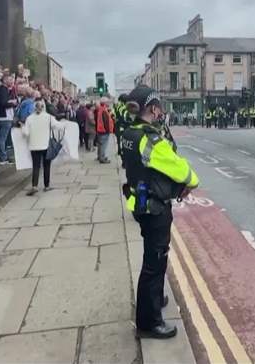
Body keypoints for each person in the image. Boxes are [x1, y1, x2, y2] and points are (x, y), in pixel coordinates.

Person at [120, 85, 199, 339]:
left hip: (139, 203)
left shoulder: (128, 133)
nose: (162, 111)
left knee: (151, 258)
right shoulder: (152, 140)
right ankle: (148, 322)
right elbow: (187, 174)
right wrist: (187, 182)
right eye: (160, 107)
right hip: (154, 208)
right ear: (153, 108)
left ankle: (154, 299)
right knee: (155, 262)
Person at [22, 100, 65, 195]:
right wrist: (63, 122)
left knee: (36, 166)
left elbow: (26, 133)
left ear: (34, 107)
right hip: (46, 146)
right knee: (46, 166)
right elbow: (59, 127)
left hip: (34, 146)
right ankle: (46, 186)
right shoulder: (49, 117)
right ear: (44, 107)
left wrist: (22, 127)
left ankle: (34, 186)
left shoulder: (29, 118)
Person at [0, 74, 17, 165]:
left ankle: (4, 157)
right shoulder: (3, 89)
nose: (12, 81)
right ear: (4, 80)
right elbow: (3, 103)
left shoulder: (6, 90)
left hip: (6, 117)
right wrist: (12, 103)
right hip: (4, 117)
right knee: (2, 138)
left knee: (3, 138)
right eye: (10, 79)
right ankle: (3, 158)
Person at [95, 98, 115, 164]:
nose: (108, 103)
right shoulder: (104, 110)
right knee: (104, 145)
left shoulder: (100, 109)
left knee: (100, 144)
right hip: (104, 130)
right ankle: (102, 158)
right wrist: (108, 130)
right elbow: (106, 122)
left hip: (100, 129)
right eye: (107, 102)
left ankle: (99, 156)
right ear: (105, 103)